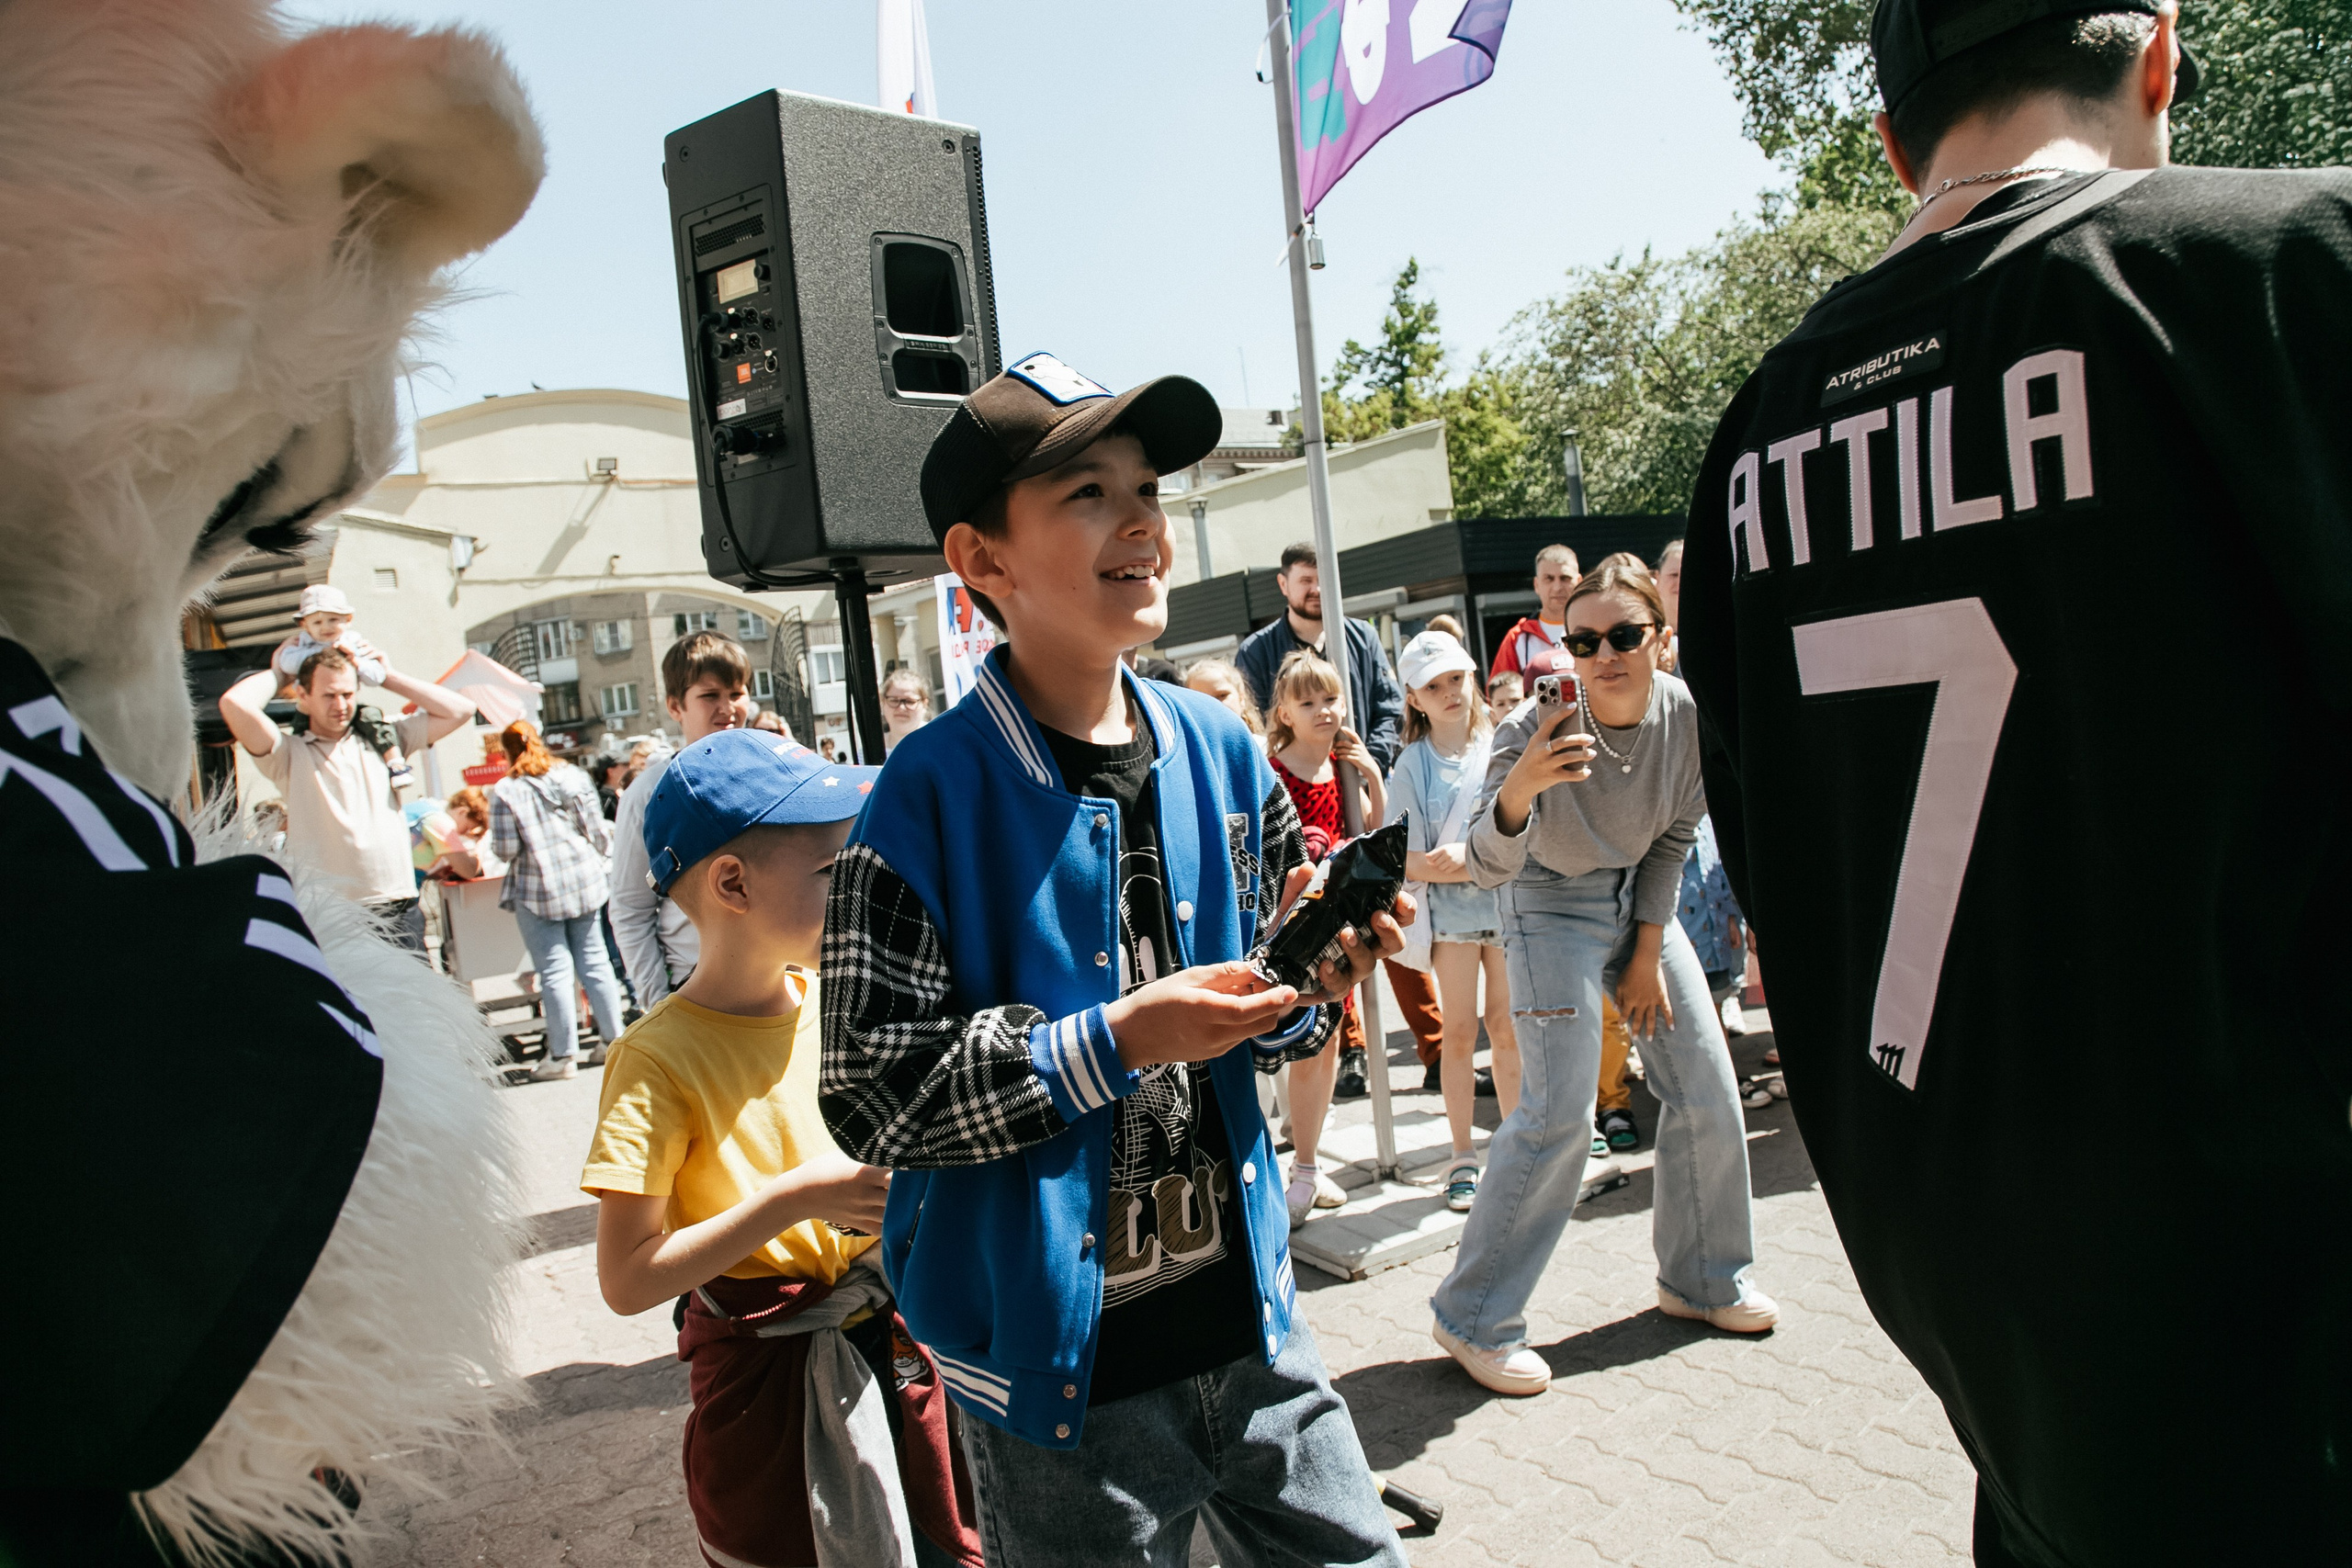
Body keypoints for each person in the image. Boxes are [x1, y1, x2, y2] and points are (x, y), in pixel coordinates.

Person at [1679, 4, 2351, 1559]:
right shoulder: (2281, 272)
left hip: (2015, 1369)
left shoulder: (1758, 432)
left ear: (1896, 143)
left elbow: (1786, 885)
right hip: (2288, 1345)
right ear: (2159, 56)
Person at [822, 355, 1409, 1565]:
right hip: (1059, 1383)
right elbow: (869, 1092)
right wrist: (1116, 1039)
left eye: (1146, 484)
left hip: (1252, 1324)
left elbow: (1272, 1021)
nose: (1142, 516)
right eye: (1087, 491)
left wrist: (1311, 983)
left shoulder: (1224, 749)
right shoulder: (923, 795)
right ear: (982, 560)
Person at [582, 728, 979, 1567]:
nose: (862, 887)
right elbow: (626, 1279)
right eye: (836, 870)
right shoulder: (653, 1059)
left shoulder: (833, 1000)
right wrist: (796, 1198)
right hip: (767, 1406)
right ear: (732, 882)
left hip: (899, 1360)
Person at [1430, 558, 1773, 1397]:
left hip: (1638, 904)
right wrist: (1522, 786)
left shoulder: (1685, 713)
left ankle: (1702, 1278)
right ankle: (1472, 1316)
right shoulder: (1531, 728)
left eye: (1624, 635)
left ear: (1660, 637)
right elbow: (1481, 862)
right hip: (1544, 903)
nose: (1604, 653)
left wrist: (1648, 949)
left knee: (1706, 1081)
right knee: (1558, 1115)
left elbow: (1677, 832)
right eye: (1584, 640)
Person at [219, 644, 477, 951]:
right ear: (303, 695)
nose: (340, 704)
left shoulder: (388, 741)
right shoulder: (288, 753)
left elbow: (461, 710)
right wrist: (280, 672)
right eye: (329, 695)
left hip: (397, 906)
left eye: (348, 694)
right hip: (331, 913)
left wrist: (385, 676)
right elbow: (234, 704)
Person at [1387, 632, 1518, 1213]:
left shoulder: (1505, 742)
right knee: (1460, 1033)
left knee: (1511, 1029)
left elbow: (1531, 829)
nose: (1449, 693)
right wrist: (1453, 863)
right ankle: (1463, 1153)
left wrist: (1475, 856)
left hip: (1511, 907)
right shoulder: (1410, 763)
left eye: (1456, 679)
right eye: (1433, 686)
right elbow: (1398, 854)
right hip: (1453, 920)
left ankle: (1515, 1152)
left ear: (1472, 677)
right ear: (1414, 698)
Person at [1264, 649, 1386, 1193]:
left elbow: (1373, 834)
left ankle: (1307, 1165)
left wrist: (1372, 777)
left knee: (1326, 1036)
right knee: (1272, 1041)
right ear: (1284, 711)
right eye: (1307, 700)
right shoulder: (1270, 769)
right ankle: (1274, 1157)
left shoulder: (1343, 764)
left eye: (1331, 698)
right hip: (1282, 926)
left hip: (1337, 924)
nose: (1324, 710)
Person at [611, 631, 753, 1009]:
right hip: (695, 992)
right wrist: (658, 1004)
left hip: (778, 985)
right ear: (676, 707)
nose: (728, 708)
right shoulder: (650, 791)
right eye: (710, 696)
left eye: (737, 693)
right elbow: (630, 909)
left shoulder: (774, 772)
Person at [489, 720, 627, 1082]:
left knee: (554, 970)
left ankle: (563, 1054)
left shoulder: (505, 790)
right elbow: (596, 831)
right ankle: (613, 1040)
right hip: (584, 880)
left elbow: (505, 849)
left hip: (538, 886)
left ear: (507, 751)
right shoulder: (572, 776)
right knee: (595, 959)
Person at [1233, 542, 1405, 771]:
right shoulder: (1256, 651)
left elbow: (1389, 711)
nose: (1317, 589)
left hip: (1363, 786)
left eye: (1324, 579)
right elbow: (1254, 728)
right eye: (1306, 581)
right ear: (1283, 584)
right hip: (1295, 792)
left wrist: (1368, 769)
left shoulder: (1364, 638)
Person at [268, 584, 412, 784]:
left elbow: (376, 677)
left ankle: (396, 763)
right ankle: (302, 775)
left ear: (348, 619)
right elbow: (287, 663)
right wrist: (323, 653)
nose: (325, 627)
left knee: (373, 719)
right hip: (310, 712)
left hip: (349, 709)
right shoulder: (301, 645)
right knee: (300, 736)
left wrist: (356, 661)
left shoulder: (355, 643)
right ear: (304, 625)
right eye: (317, 622)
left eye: (333, 620)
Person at [1486, 544, 1581, 682]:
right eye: (1549, 578)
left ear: (1579, 581)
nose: (1557, 587)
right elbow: (1499, 695)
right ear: (1536, 585)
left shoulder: (1595, 629)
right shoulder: (1518, 638)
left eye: (1565, 578)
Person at [425, 785, 502, 882]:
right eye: (466, 828)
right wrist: (481, 843)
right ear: (462, 812)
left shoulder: (430, 808)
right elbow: (469, 871)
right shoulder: (442, 824)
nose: (463, 834)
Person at [1183, 656, 1262, 734]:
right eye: (1202, 701)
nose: (1214, 706)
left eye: (1222, 695)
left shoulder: (1263, 745)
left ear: (1241, 698)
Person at [880, 669, 930, 755]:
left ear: (924, 704)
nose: (901, 708)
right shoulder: (869, 752)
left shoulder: (938, 742)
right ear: (883, 702)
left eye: (910, 701)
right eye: (894, 700)